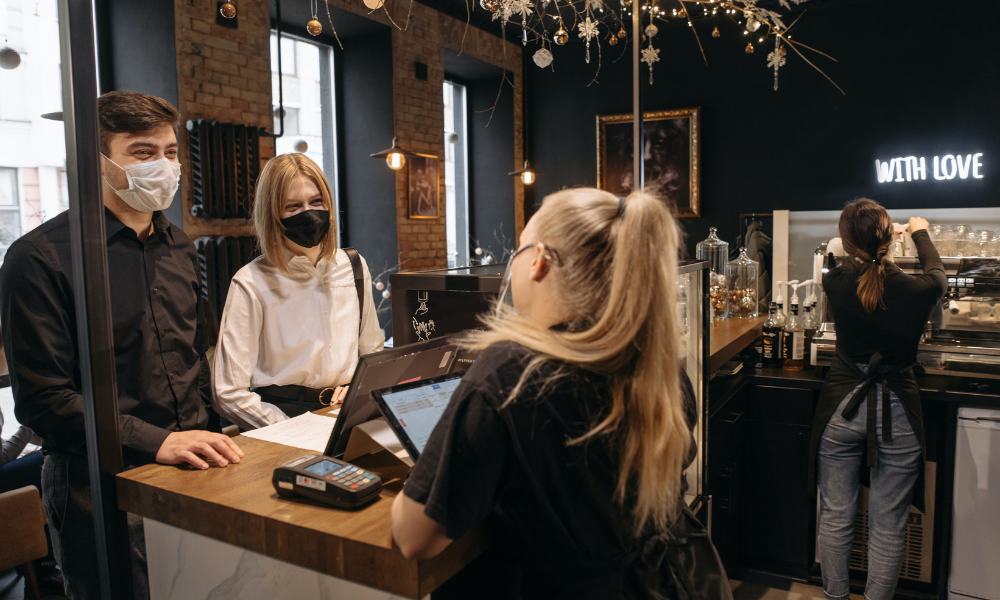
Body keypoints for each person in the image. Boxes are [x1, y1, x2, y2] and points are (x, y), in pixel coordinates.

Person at [390, 188, 731, 599]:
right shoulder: (656, 365)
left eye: (517, 250)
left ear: (539, 261)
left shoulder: (509, 374)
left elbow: (413, 536)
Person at [0, 90, 243, 600]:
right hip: (100, 483)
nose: (164, 165)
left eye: (171, 152)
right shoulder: (38, 258)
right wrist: (157, 440)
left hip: (193, 466)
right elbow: (44, 402)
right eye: (143, 152)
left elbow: (193, 356)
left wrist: (215, 432)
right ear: (99, 162)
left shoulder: (179, 246)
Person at [811, 199, 946, 600]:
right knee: (888, 524)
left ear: (848, 241)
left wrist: (869, 239)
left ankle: (835, 596)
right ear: (889, 238)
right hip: (898, 413)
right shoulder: (920, 289)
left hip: (841, 408)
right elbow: (937, 272)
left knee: (835, 517)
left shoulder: (834, 281)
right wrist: (919, 231)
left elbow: (838, 252)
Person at [212, 153, 383, 429]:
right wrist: (290, 430)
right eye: (293, 206)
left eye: (316, 201)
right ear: (273, 215)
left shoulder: (353, 266)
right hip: (283, 418)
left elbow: (372, 350)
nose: (309, 213)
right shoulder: (251, 282)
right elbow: (228, 393)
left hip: (345, 413)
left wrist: (358, 385)